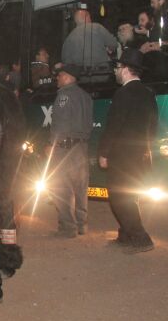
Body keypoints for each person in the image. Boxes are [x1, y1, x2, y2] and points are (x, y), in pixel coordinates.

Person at [98, 49, 158, 254]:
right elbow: (153, 125)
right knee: (129, 194)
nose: (115, 70)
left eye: (117, 67)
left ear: (125, 69)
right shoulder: (148, 93)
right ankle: (125, 234)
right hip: (139, 153)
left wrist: (104, 153)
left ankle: (141, 237)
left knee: (119, 197)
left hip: (122, 155)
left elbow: (114, 126)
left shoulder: (123, 93)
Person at [48, 64, 93, 238]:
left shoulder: (64, 96)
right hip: (82, 146)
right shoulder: (86, 96)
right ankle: (82, 224)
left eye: (59, 76)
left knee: (60, 187)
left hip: (64, 147)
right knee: (80, 187)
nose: (57, 79)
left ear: (67, 77)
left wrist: (52, 143)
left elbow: (60, 122)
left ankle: (68, 227)